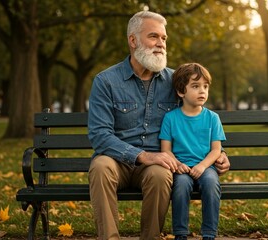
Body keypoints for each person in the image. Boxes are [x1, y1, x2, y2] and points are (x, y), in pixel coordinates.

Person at [87, 11, 230, 240]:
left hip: (158, 163)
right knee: (100, 167)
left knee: (161, 175)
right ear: (133, 40)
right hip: (116, 160)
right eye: (153, 36)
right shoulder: (106, 81)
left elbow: (194, 118)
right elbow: (99, 135)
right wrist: (143, 155)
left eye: (164, 38)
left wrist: (220, 153)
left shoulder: (176, 81)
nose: (161, 44)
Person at [159, 63, 225, 240]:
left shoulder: (212, 118)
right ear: (181, 92)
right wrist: (178, 165)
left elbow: (216, 150)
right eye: (195, 86)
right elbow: (166, 150)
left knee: (211, 184)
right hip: (181, 168)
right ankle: (180, 233)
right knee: (180, 187)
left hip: (206, 167)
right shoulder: (170, 118)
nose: (202, 91)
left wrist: (203, 167)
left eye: (205, 86)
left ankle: (209, 234)